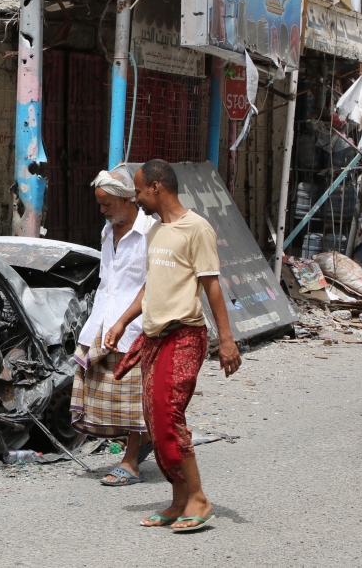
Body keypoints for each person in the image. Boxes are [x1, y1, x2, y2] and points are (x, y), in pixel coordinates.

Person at [105, 159, 241, 532]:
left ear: (157, 188)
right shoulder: (155, 232)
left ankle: (197, 497)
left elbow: (212, 285)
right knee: (154, 418)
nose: (136, 198)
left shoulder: (196, 229)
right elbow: (151, 287)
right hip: (154, 337)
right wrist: (122, 322)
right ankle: (179, 499)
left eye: (139, 190)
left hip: (184, 336)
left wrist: (226, 341)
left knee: (168, 416)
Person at [70, 169, 153, 486]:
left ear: (127, 199)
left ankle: (131, 462)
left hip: (135, 327)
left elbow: (151, 284)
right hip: (102, 324)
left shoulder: (151, 233)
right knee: (107, 395)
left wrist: (124, 322)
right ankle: (145, 441)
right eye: (100, 205)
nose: (103, 211)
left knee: (134, 396)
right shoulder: (107, 233)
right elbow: (108, 282)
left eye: (107, 204)